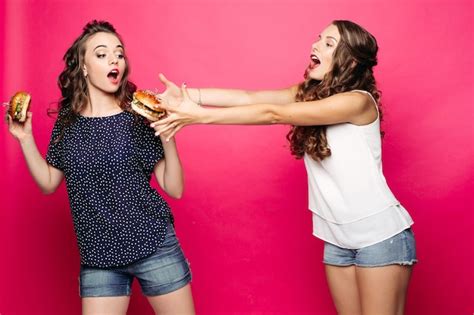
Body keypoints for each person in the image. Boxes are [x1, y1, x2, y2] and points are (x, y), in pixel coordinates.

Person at [152, 20, 416, 315]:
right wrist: (189, 97)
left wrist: (198, 117)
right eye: (318, 39)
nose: (315, 45)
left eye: (329, 43)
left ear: (351, 60)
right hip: (337, 241)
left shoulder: (358, 102)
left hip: (380, 237)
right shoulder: (308, 93)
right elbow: (249, 98)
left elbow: (273, 113)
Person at [6, 20, 195, 315]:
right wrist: (25, 137)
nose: (114, 59)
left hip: (153, 245)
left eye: (119, 53)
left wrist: (167, 131)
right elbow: (48, 183)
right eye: (102, 54)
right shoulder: (68, 121)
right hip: (99, 257)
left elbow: (175, 188)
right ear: (83, 66)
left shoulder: (137, 116)